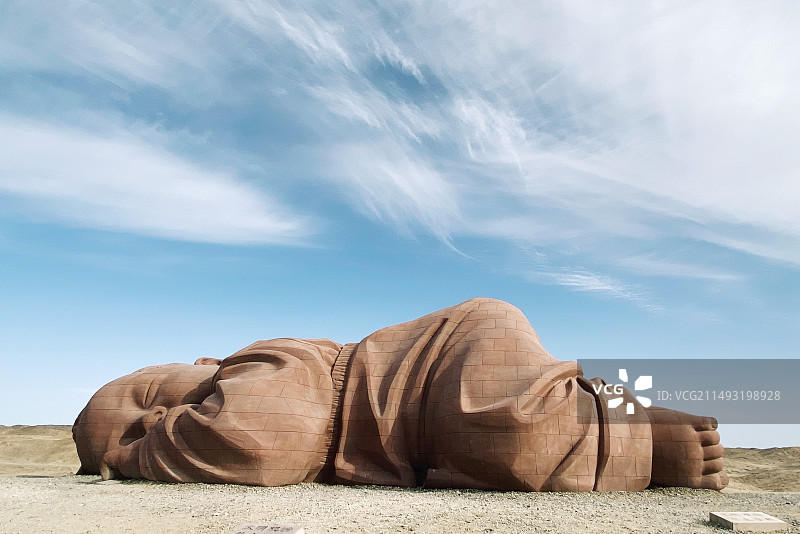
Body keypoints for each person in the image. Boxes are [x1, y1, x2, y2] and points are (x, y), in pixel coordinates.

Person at [73, 298, 727, 491]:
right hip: (422, 429)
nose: (162, 420)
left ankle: (642, 428)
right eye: (134, 436)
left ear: (203, 361)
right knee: (505, 447)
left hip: (440, 365)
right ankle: (625, 419)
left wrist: (136, 458)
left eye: (149, 397)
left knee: (504, 427)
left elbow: (267, 442)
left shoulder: (266, 365)